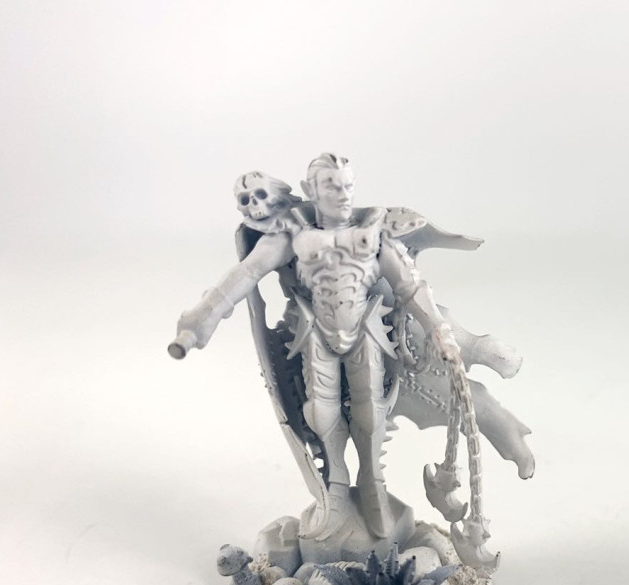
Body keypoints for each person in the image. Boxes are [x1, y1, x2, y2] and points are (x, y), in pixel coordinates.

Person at [170, 153, 460, 539]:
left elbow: (410, 286)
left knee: (370, 412)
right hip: (315, 331)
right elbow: (249, 271)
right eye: (331, 186)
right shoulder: (292, 233)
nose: (342, 194)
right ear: (311, 190)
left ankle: (372, 483)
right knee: (321, 413)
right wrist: (204, 316)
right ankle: (335, 487)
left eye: (347, 185)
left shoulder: (375, 232)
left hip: (366, 329)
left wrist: (439, 329)